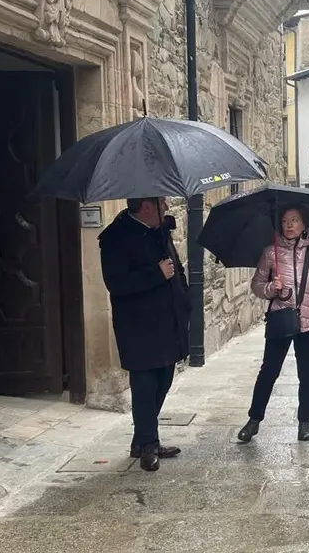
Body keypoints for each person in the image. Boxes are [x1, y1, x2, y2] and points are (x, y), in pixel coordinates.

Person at [98, 197, 190, 472]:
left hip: (168, 320)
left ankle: (142, 439)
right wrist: (155, 273)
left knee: (164, 379)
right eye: (161, 202)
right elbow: (116, 283)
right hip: (138, 325)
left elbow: (176, 267)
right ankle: (149, 444)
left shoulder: (160, 231)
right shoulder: (115, 237)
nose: (165, 206)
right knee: (144, 385)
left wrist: (185, 298)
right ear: (147, 206)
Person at [237, 204, 309, 443]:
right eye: (285, 221)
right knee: (268, 372)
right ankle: (254, 420)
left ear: (304, 224)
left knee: (307, 374)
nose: (289, 225)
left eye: (294, 220)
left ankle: (305, 421)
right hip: (280, 319)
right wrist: (269, 288)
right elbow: (256, 285)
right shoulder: (270, 252)